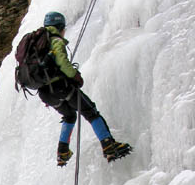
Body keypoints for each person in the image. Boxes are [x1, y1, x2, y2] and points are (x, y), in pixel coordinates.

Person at [37, 11, 132, 166]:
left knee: (69, 116)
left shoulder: (38, 44)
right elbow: (62, 62)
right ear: (60, 27)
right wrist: (75, 76)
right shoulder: (54, 41)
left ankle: (62, 152)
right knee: (90, 112)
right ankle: (108, 145)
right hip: (61, 87)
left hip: (45, 94)